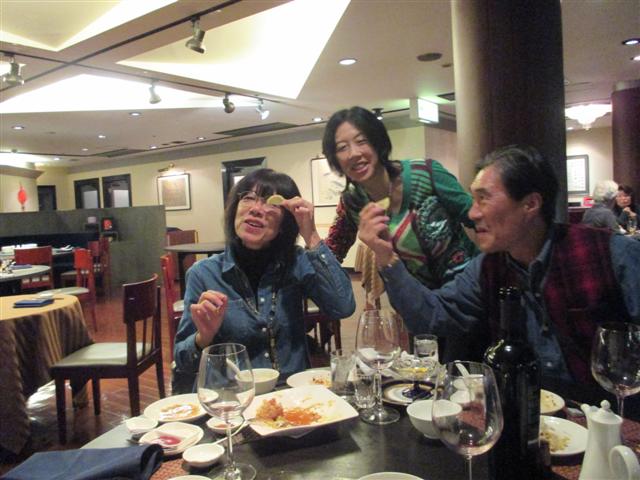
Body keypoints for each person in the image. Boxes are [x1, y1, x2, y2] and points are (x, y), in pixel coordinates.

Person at [359, 144, 640, 386]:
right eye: (473, 199)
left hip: (614, 419)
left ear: (530, 204)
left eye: (483, 198)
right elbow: (432, 316)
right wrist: (387, 257)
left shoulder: (612, 253)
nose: (472, 213)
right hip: (528, 417)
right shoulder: (487, 268)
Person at [173, 169, 355, 393]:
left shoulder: (296, 262)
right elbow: (182, 360)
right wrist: (203, 338)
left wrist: (311, 235)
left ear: (285, 223)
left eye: (271, 202)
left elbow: (343, 306)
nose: (256, 209)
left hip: (291, 396)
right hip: (231, 402)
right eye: (248, 198)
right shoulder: (203, 274)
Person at [322, 106, 477, 290]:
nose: (354, 153)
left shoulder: (426, 173)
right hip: (417, 300)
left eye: (361, 141)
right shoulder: (353, 202)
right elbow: (333, 251)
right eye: (342, 147)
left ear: (378, 142)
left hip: (471, 289)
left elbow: (478, 217)